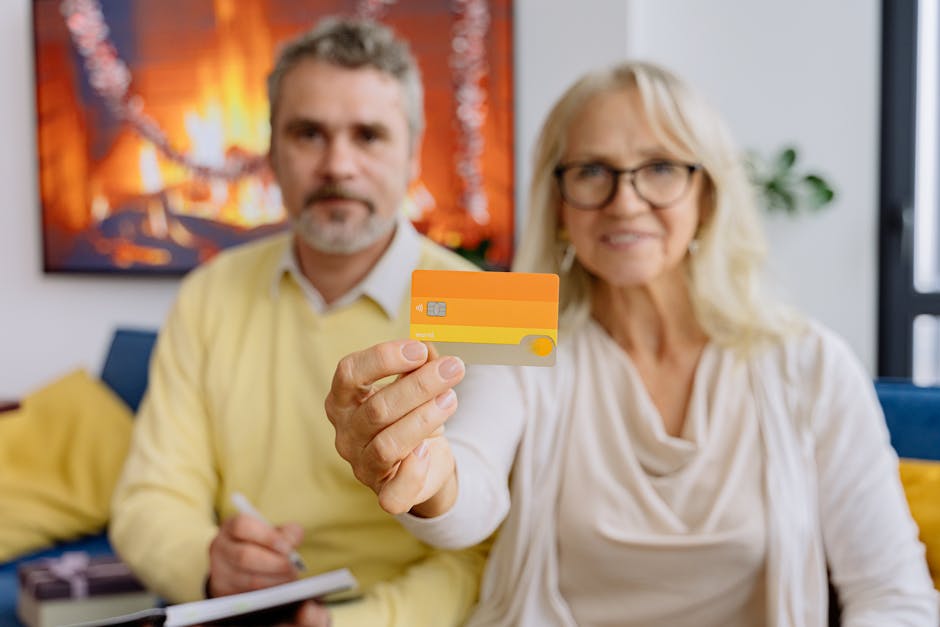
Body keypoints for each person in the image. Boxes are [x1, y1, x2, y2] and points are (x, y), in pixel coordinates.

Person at [325, 61, 939, 626]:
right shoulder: (526, 342)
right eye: (591, 171)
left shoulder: (810, 365)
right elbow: (470, 494)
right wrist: (425, 470)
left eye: (661, 169)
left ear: (707, 196)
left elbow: (894, 596)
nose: (624, 201)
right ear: (560, 204)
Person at [109, 17, 488, 627]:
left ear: (413, 153)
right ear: (272, 150)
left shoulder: (476, 306)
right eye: (309, 133)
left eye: (368, 136)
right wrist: (207, 565)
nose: (338, 164)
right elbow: (150, 497)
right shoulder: (209, 294)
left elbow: (484, 550)